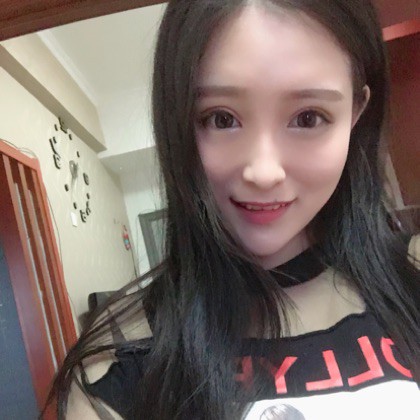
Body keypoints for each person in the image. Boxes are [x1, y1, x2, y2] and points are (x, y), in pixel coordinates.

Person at [45, 1, 420, 419]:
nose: (263, 172)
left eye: (308, 118)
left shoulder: (412, 274)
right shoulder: (117, 357)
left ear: (355, 113)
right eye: (221, 119)